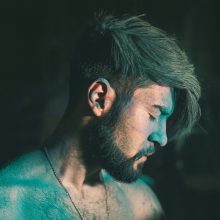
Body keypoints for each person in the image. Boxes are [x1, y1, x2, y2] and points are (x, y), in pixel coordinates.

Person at [0, 12, 201, 219]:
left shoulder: (141, 205)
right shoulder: (9, 203)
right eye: (154, 114)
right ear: (99, 98)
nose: (162, 138)